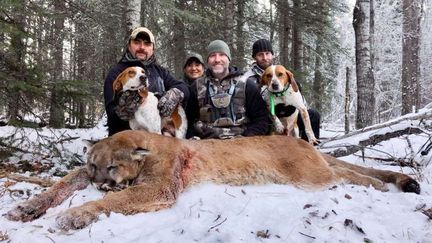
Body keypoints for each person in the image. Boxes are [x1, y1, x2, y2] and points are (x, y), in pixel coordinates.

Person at [103, 27, 189, 136]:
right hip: (126, 141)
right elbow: (111, 114)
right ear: (129, 46)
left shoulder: (160, 72)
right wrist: (124, 110)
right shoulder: (117, 73)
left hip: (157, 140)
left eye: (147, 44)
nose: (142, 47)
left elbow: (183, 87)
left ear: (153, 49)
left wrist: (175, 93)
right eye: (137, 42)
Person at [186, 40, 270, 139]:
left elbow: (261, 120)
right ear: (207, 61)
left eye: (222, 55)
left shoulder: (247, 84)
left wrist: (246, 138)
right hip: (206, 145)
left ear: (229, 59)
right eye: (213, 55)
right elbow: (189, 120)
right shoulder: (196, 87)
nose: (217, 59)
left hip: (242, 144)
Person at [243, 38, 321, 141]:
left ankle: (310, 148)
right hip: (266, 117)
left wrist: (294, 104)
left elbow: (300, 103)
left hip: (290, 115)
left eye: (267, 53)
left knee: (313, 115)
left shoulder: (281, 71)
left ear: (272, 55)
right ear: (254, 57)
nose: (265, 58)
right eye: (260, 54)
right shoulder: (247, 79)